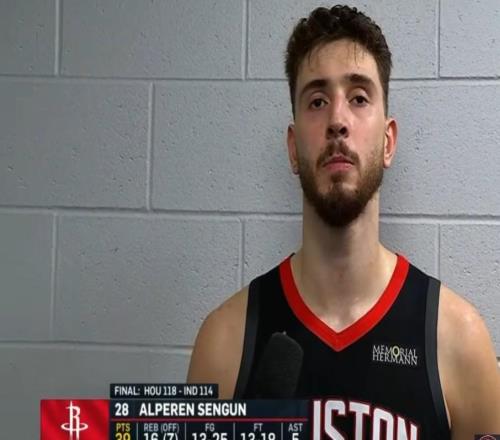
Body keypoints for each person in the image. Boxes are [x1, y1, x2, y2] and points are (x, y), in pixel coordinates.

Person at [187, 4, 500, 439]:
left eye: (358, 98)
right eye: (317, 101)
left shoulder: (459, 340)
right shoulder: (224, 342)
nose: (337, 120)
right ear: (293, 148)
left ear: (388, 142)